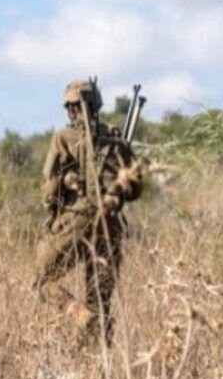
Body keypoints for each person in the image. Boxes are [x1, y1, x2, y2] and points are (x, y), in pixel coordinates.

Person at [34, 79, 142, 346]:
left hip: (77, 220)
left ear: (71, 108)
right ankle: (96, 362)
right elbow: (136, 189)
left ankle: (80, 316)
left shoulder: (63, 138)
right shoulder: (117, 140)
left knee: (42, 282)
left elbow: (49, 190)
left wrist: (56, 208)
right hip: (112, 226)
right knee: (100, 299)